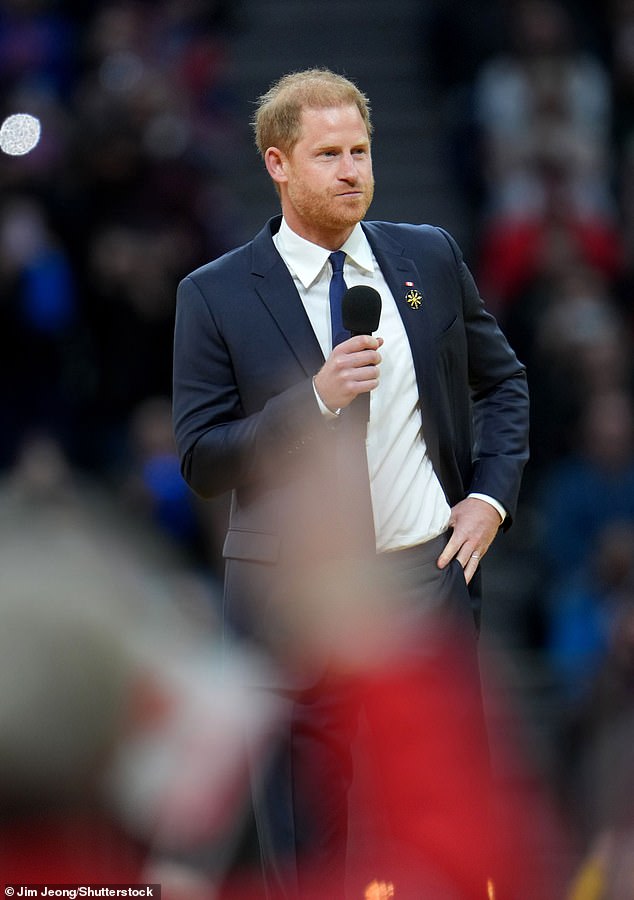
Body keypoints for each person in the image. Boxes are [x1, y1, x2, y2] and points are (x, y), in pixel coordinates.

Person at [172, 68, 530, 899]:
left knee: (445, 824)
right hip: (295, 603)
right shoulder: (214, 293)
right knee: (307, 842)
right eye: (327, 153)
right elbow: (199, 459)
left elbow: (504, 381)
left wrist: (489, 495)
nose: (350, 170)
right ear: (277, 164)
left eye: (360, 151)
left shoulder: (428, 256)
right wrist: (316, 403)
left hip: (426, 580)